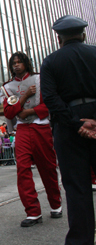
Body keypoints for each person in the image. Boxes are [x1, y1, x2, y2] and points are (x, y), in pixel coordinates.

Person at [40, 15, 96, 244]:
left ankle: (81, 240)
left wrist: (77, 123)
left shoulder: (51, 61)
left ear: (58, 39)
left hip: (68, 128)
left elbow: (51, 100)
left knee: (76, 188)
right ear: (83, 35)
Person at [1, 51, 62, 227]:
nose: (16, 65)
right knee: (22, 169)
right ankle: (33, 212)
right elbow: (9, 112)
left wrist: (30, 111)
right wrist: (26, 96)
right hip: (22, 129)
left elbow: (50, 102)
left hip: (41, 126)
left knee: (48, 167)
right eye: (13, 63)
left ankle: (55, 204)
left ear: (27, 63)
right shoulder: (7, 86)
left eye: (19, 62)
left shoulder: (40, 79)